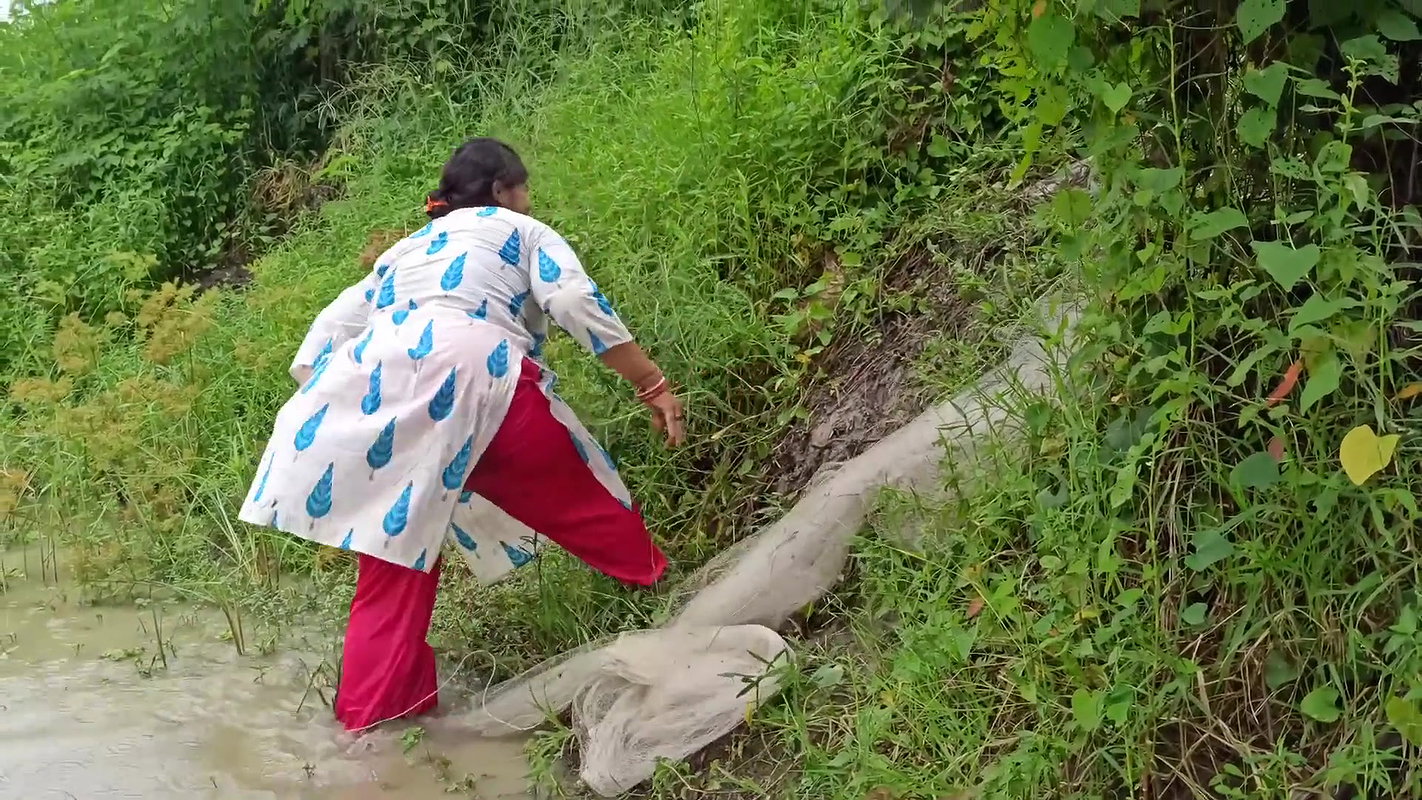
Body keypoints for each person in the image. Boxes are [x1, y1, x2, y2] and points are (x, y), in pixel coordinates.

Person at [238, 137, 685, 732]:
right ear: (502, 190)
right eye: (523, 189)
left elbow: (324, 335)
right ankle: (669, 596)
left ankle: (369, 736)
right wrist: (651, 382)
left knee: (392, 567)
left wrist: (364, 405)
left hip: (372, 389)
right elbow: (573, 297)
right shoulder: (520, 230)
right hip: (478, 375)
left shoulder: (408, 249)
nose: (528, 200)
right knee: (581, 498)